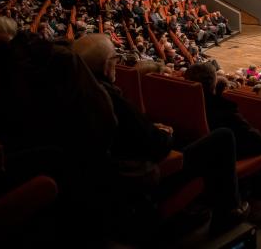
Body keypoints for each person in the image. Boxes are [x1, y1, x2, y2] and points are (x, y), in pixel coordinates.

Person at [72, 35, 247, 233]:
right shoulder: (109, 100)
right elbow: (156, 146)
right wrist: (166, 134)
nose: (117, 63)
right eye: (115, 59)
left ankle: (190, 209)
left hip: (104, 184)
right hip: (141, 185)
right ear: (106, 66)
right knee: (223, 137)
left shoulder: (78, 94)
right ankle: (228, 212)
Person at [183, 62, 261, 210]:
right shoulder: (223, 109)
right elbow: (259, 144)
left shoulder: (183, 104)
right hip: (236, 154)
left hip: (209, 156)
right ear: (213, 83)